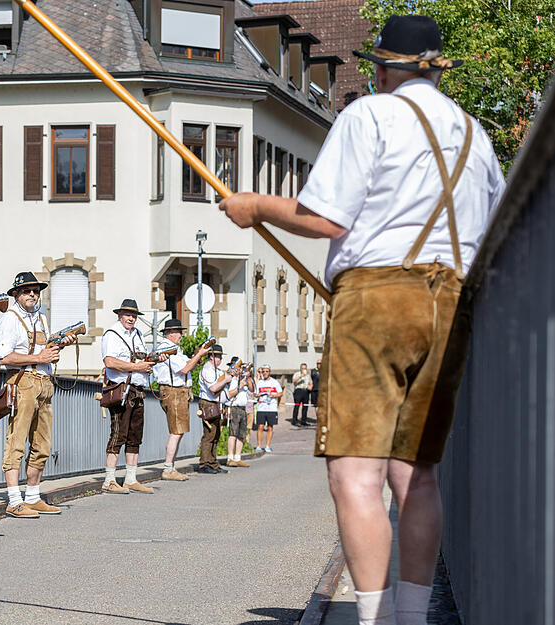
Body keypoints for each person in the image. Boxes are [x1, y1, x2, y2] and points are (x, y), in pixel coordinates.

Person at [218, 15, 504, 625]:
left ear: (385, 68)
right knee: (417, 472)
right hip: (453, 300)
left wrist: (254, 206)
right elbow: (497, 231)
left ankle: (372, 619)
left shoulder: (369, 115)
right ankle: (410, 618)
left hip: (378, 295)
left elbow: (326, 218)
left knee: (356, 472)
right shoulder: (475, 134)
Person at [0, 272, 76, 519]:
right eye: (27, 290)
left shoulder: (40, 318)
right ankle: (13, 499)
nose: (33, 294)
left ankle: (32, 496)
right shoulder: (9, 319)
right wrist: (39, 358)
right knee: (16, 442)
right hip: (23, 382)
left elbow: (45, 350)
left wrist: (59, 346)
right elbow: (5, 357)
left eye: (36, 291)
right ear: (16, 294)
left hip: (44, 382)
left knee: (42, 444)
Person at [100, 299, 158, 494]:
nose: (131, 318)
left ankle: (130, 478)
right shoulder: (112, 334)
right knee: (119, 434)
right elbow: (109, 361)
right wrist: (135, 367)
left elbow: (142, 359)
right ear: (120, 315)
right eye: (127, 314)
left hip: (137, 388)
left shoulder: (139, 334)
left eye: (133, 315)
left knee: (135, 436)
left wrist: (152, 362)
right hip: (121, 389)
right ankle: (109, 479)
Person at [152, 319, 210, 480]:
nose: (181, 335)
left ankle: (170, 467)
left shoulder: (173, 349)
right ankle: (168, 468)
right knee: (176, 431)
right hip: (174, 392)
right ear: (170, 333)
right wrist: (198, 354)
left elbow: (186, 365)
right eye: (179, 332)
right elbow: (184, 368)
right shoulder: (167, 348)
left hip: (177, 392)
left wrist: (196, 358)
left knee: (179, 430)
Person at [197, 344, 230, 474]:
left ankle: (212, 462)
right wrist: (226, 380)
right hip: (208, 403)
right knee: (209, 434)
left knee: (215, 434)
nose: (220, 359)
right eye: (218, 357)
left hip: (215, 403)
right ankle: (204, 463)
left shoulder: (216, 370)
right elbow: (213, 388)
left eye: (221, 357)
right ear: (211, 357)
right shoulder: (207, 369)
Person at [225, 364, 254, 467]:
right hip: (234, 407)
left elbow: (252, 389)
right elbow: (229, 394)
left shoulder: (244, 379)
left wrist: (248, 377)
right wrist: (240, 385)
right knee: (233, 433)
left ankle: (238, 457)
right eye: (238, 368)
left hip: (243, 408)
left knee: (241, 435)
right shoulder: (231, 379)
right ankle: (230, 457)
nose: (240, 370)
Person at [254, 366, 283, 453]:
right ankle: (259, 446)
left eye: (267, 371)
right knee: (260, 426)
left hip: (272, 408)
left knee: (270, 427)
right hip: (261, 408)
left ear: (269, 372)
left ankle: (267, 446)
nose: (265, 373)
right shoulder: (259, 382)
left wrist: (273, 395)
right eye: (263, 371)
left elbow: (280, 393)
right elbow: (255, 393)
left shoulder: (274, 382)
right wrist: (258, 395)